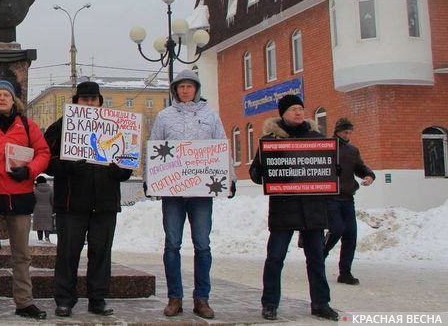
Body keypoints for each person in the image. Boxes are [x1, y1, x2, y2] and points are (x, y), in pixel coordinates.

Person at [147, 70, 232, 320]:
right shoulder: (164, 116)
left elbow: (221, 146)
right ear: (175, 90)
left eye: (189, 86)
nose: (185, 90)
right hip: (172, 191)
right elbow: (153, 147)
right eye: (181, 86)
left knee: (202, 245)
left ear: (196, 89)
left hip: (201, 192)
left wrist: (231, 178)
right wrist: (150, 180)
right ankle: (175, 298)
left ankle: (202, 298)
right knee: (172, 244)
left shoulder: (210, 115)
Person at [44, 81, 133, 318]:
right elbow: (46, 161)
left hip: (105, 203)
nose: (90, 103)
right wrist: (67, 166)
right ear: (76, 101)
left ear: (100, 102)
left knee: (101, 253)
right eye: (85, 99)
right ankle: (64, 299)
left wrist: (120, 172)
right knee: (67, 253)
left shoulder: (116, 126)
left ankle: (98, 298)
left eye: (94, 99)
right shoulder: (60, 128)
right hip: (71, 204)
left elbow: (127, 162)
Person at [250, 94, 339, 321]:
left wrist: (333, 170)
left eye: (300, 108)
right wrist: (262, 167)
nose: (298, 112)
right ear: (283, 114)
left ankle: (321, 303)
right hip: (284, 208)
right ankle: (269, 304)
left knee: (316, 258)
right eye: (293, 109)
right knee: (275, 258)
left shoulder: (316, 138)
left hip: (312, 208)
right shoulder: (270, 141)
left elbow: (328, 167)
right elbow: (255, 175)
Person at [0, 79, 51, 321]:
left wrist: (30, 170)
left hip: (20, 198)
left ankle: (24, 302)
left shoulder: (27, 125)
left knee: (22, 255)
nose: (2, 98)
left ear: (14, 100)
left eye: (6, 94)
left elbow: (43, 152)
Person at [324, 117, 375, 286]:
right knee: (337, 229)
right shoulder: (326, 147)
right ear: (337, 131)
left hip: (347, 197)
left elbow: (359, 167)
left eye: (350, 132)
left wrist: (368, 175)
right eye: (345, 132)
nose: (348, 135)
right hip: (331, 197)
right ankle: (320, 254)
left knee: (351, 234)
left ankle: (345, 272)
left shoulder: (353, 150)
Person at [32, 176, 54, 242]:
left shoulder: (35, 190)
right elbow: (52, 200)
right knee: (47, 224)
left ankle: (40, 239)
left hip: (37, 209)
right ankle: (47, 237)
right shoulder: (51, 189)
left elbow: (33, 200)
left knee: (39, 225)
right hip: (48, 209)